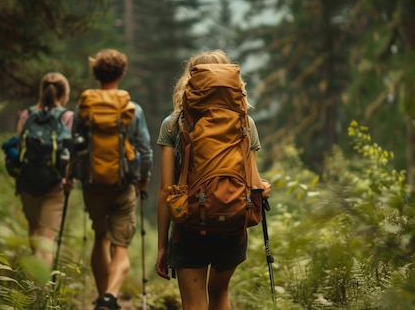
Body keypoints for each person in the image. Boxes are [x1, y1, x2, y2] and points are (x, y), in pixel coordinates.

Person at [155, 49, 272, 310]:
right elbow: (253, 182)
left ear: (191, 83)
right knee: (220, 293)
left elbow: (165, 190)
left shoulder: (173, 124)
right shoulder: (245, 123)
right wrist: (263, 188)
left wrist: (162, 246)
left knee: (195, 302)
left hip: (189, 225)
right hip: (233, 219)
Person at [73, 49, 153, 310]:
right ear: (122, 73)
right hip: (123, 184)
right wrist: (143, 179)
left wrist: (76, 176)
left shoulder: (84, 107)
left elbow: (74, 146)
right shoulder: (132, 109)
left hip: (93, 184)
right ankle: (110, 296)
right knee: (121, 246)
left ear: (96, 73)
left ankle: (101, 295)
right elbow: (144, 150)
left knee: (100, 237)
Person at [15, 72, 74, 266]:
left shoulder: (26, 115)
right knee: (46, 242)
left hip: (27, 185)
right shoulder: (67, 117)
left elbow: (18, 150)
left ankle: (34, 281)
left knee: (34, 233)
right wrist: (68, 179)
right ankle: (41, 291)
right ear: (64, 94)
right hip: (55, 187)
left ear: (42, 92)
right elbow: (69, 153)